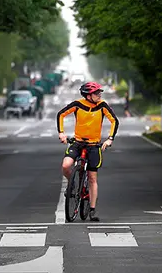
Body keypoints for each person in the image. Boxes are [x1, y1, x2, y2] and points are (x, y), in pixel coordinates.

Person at [56, 81, 119, 221]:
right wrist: (61, 133)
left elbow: (114, 121)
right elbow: (61, 114)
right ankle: (72, 185)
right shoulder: (78, 104)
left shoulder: (102, 106)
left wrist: (109, 139)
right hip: (77, 142)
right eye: (96, 93)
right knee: (66, 166)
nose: (99, 95)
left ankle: (91, 209)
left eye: (99, 92)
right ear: (88, 95)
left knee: (92, 178)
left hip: (94, 146)